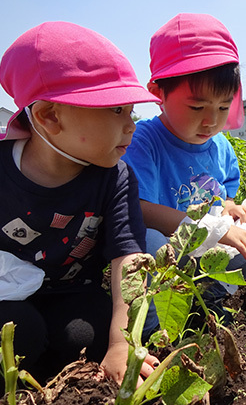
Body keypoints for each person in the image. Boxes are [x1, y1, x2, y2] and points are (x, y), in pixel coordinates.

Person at [0, 22, 160, 385]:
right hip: (6, 297)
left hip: (72, 293)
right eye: (117, 110)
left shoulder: (114, 177)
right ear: (49, 116)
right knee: (18, 333)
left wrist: (122, 344)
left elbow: (128, 257)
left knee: (88, 335)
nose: (131, 125)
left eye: (130, 111)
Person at [123, 14, 246, 327]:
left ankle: (213, 292)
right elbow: (139, 210)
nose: (211, 121)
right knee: (150, 242)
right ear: (158, 93)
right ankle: (158, 329)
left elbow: (219, 198)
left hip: (208, 253)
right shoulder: (144, 142)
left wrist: (231, 209)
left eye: (223, 107)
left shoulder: (220, 146)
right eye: (197, 107)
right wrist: (213, 229)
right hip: (173, 248)